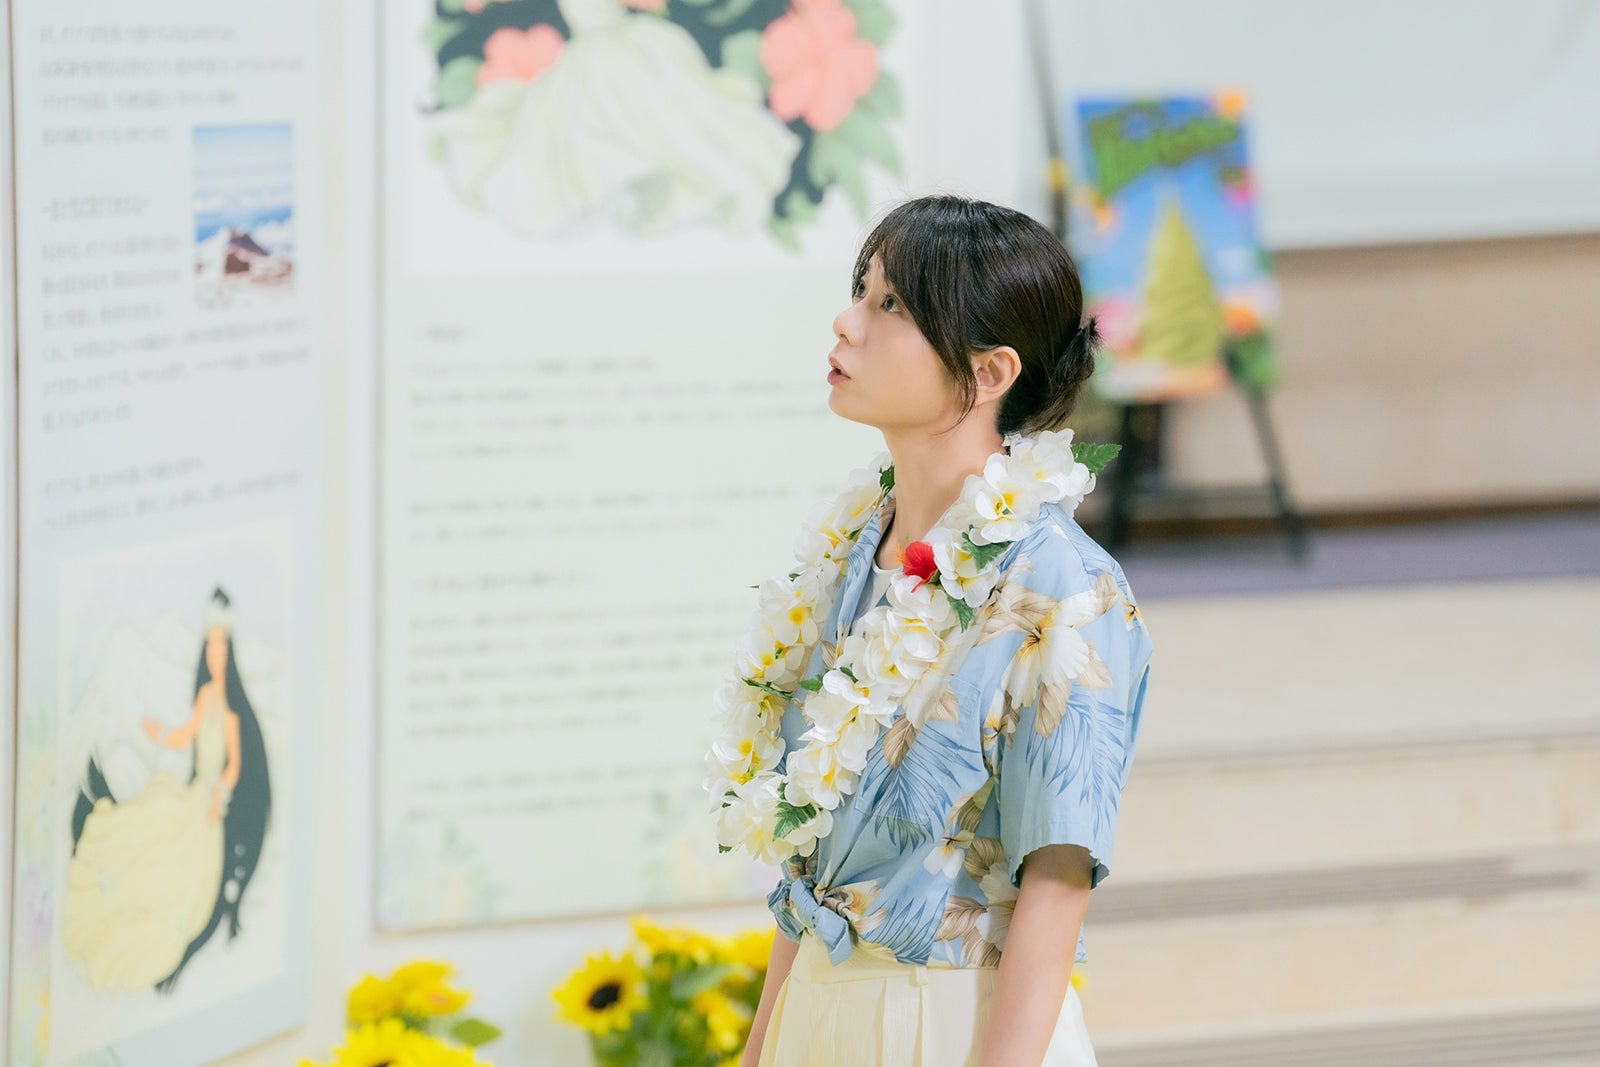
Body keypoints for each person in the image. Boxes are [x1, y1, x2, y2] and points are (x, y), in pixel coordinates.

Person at [708, 195, 1154, 1066]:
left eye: (892, 305)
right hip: (815, 1014)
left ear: (988, 372)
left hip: (955, 1022)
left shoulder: (1066, 587)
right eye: (860, 291)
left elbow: (1055, 883)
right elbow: (811, 875)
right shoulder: (846, 552)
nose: (847, 322)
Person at [64, 587, 272, 993]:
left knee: (188, 866)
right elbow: (184, 734)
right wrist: (157, 732)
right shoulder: (205, 697)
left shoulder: (231, 714)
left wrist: (220, 791)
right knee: (152, 824)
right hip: (194, 791)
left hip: (209, 801)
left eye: (221, 646)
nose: (214, 654)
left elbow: (234, 766)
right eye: (210, 645)